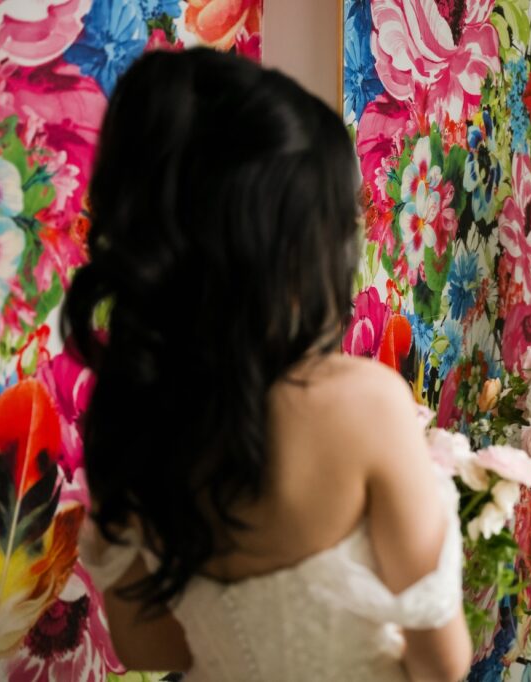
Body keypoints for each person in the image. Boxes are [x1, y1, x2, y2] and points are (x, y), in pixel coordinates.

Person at [69, 49, 471, 681]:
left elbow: (153, 651)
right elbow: (440, 664)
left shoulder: (133, 419)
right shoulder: (365, 403)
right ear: (283, 242)